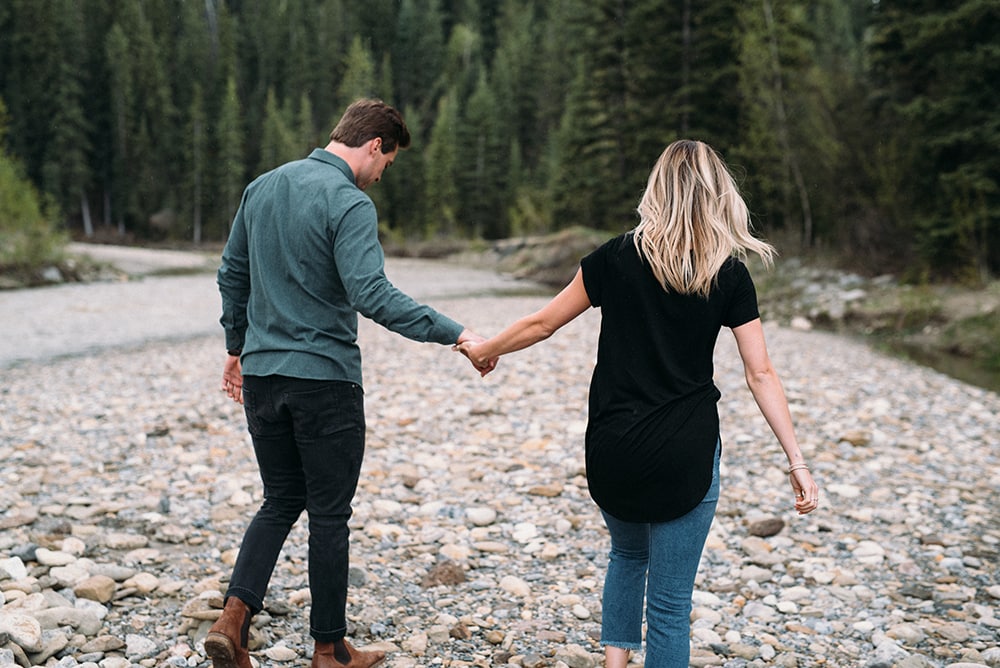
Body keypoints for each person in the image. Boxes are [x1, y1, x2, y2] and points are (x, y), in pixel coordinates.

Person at [457, 139, 819, 667]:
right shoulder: (729, 274)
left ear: (658, 190)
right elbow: (760, 372)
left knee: (626, 554)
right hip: (684, 453)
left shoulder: (615, 257)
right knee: (670, 608)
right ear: (718, 195)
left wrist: (485, 350)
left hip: (612, 446)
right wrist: (797, 461)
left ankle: (613, 663)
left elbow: (542, 323)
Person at [209, 98, 493, 668]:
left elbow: (231, 272)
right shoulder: (349, 202)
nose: (383, 174)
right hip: (325, 383)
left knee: (279, 500)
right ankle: (330, 649)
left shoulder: (261, 188)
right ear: (374, 145)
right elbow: (372, 295)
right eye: (387, 162)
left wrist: (236, 346)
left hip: (263, 377)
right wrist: (455, 333)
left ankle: (233, 621)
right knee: (330, 514)